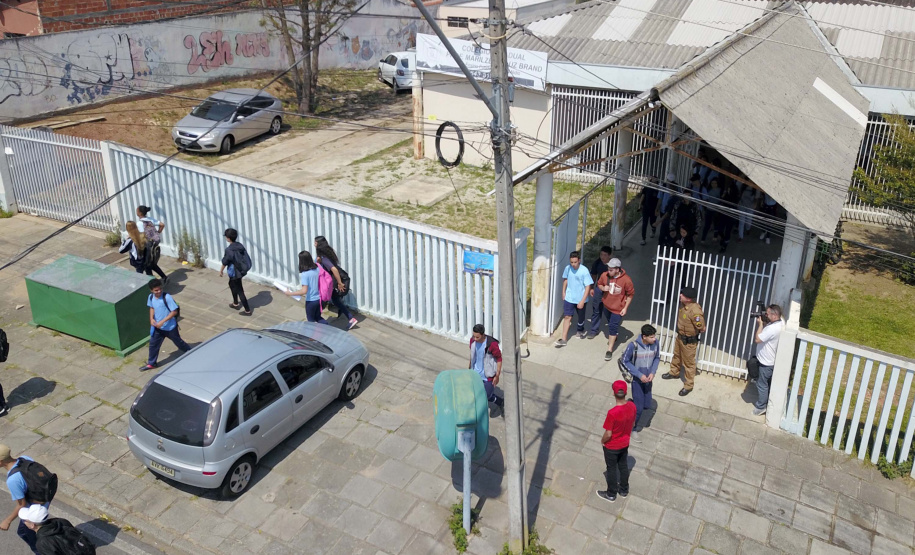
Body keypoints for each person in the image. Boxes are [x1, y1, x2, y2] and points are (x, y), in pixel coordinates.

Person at [0, 445, 50, 554]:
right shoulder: (25, 458)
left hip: (33, 510)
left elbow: (21, 504)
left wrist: (7, 521)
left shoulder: (12, 480)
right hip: (45, 498)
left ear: (1, 462)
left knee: (25, 533)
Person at [596, 380, 636, 503]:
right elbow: (633, 423)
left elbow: (608, 433)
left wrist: (602, 441)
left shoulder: (612, 413)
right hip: (625, 443)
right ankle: (624, 490)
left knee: (611, 469)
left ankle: (611, 494)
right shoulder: (632, 406)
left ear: (613, 394)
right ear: (626, 392)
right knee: (623, 466)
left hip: (612, 446)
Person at [662, 286, 706, 396]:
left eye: (683, 295)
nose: (680, 295)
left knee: (689, 364)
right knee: (676, 356)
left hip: (689, 341)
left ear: (689, 299)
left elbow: (702, 328)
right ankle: (674, 372)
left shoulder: (695, 311)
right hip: (680, 337)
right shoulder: (683, 305)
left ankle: (688, 385)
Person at [140, 279, 191, 370]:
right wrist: (151, 319)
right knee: (153, 345)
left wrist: (162, 322)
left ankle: (190, 352)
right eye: (156, 290)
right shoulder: (151, 297)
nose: (159, 291)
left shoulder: (167, 297)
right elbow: (151, 307)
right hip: (158, 328)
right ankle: (152, 363)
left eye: (160, 289)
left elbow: (174, 312)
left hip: (170, 328)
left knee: (178, 342)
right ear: (151, 290)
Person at [620, 325, 659, 442]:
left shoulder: (655, 344)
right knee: (639, 409)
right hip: (637, 381)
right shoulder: (633, 346)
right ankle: (633, 428)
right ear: (644, 337)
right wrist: (639, 375)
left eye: (654, 336)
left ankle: (631, 404)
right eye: (651, 337)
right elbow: (624, 360)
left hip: (648, 380)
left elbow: (657, 358)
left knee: (647, 404)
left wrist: (653, 372)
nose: (654, 339)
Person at [314, 236, 357, 330]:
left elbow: (334, 269)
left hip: (329, 282)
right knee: (335, 300)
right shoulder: (328, 252)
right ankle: (351, 318)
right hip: (330, 282)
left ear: (318, 244)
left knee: (321, 299)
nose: (314, 244)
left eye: (315, 242)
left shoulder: (324, 257)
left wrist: (340, 283)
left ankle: (316, 320)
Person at [596, 258, 635, 360]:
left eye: (611, 270)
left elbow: (630, 295)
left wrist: (625, 308)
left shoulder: (626, 280)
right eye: (608, 269)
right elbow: (599, 284)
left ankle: (609, 350)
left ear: (617, 269)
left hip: (618, 309)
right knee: (610, 323)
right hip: (607, 306)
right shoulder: (605, 275)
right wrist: (603, 288)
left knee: (612, 327)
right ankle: (615, 334)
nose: (609, 271)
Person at [18, 504, 96, 555]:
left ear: (32, 525)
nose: (24, 522)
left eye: (25, 520)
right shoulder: (61, 521)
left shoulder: (42, 543)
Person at [555, 251, 593, 347]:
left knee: (581, 318)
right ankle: (564, 339)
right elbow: (565, 280)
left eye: (575, 262)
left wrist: (582, 300)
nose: (573, 264)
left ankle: (580, 330)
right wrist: (563, 292)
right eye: (571, 262)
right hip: (569, 297)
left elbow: (588, 286)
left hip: (581, 298)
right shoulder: (568, 269)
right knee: (567, 317)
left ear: (579, 261)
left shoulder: (584, 271)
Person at [752, 304, 784, 416]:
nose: (766, 315)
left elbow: (757, 339)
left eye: (768, 314)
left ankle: (761, 407)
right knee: (765, 383)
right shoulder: (779, 323)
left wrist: (760, 325)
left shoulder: (772, 329)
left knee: (762, 384)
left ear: (774, 315)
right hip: (769, 360)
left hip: (766, 362)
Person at [469, 324, 504, 418]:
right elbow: (472, 356)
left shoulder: (492, 344)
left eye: (477, 337)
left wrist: (497, 375)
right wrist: (469, 369)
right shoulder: (472, 341)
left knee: (487, 395)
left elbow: (499, 359)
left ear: (483, 334)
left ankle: (500, 402)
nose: (475, 339)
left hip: (488, 375)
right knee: (475, 392)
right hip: (475, 373)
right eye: (474, 336)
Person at [285, 251, 325, 324]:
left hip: (311, 301)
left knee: (311, 321)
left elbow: (304, 291)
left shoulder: (305, 274)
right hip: (319, 299)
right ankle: (328, 328)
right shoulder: (317, 269)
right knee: (318, 317)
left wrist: (290, 293)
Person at [220, 228, 252, 315]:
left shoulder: (229, 250)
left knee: (239, 290)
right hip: (241, 271)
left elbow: (225, 261)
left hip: (235, 273)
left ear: (228, 238)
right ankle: (235, 303)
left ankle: (247, 310)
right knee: (231, 284)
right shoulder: (240, 245)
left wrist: (221, 271)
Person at [135, 205, 167, 281]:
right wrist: (158, 232)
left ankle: (153, 282)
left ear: (139, 213)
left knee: (146, 265)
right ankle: (163, 278)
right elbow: (162, 225)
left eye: (137, 211)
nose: (136, 212)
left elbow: (140, 236)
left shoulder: (139, 223)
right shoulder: (150, 219)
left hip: (147, 248)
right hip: (154, 246)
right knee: (151, 265)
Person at [587, 246, 612, 339]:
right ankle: (594, 330)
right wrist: (592, 288)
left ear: (610, 255)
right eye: (601, 254)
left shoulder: (613, 265)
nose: (602, 257)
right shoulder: (597, 263)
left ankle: (612, 332)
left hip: (610, 292)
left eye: (605, 255)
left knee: (609, 311)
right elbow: (593, 275)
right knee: (596, 310)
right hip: (599, 290)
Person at [699, 177, 722, 243]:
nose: (713, 184)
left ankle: (715, 236)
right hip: (708, 209)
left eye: (715, 183)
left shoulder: (720, 190)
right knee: (707, 225)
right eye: (712, 183)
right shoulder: (708, 190)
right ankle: (703, 238)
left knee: (716, 224)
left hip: (716, 210)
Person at [638, 179, 659, 246]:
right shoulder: (646, 188)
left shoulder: (658, 190)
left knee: (652, 222)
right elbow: (643, 196)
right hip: (646, 208)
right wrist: (640, 205)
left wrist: (657, 209)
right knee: (644, 223)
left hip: (653, 209)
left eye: (654, 181)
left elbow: (659, 200)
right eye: (652, 181)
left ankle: (653, 230)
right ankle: (643, 238)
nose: (653, 182)